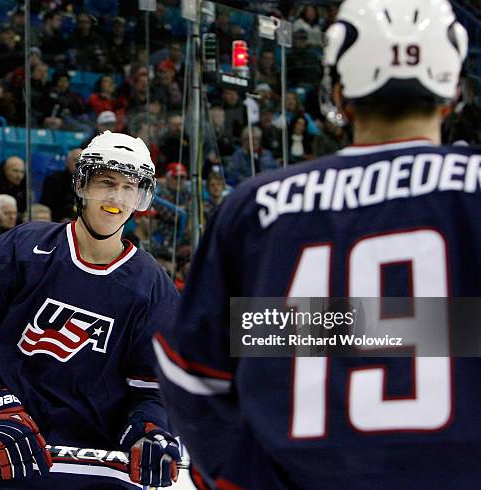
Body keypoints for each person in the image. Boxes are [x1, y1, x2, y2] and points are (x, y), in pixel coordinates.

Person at [155, 1, 479, 488]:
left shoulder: (259, 206)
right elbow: (405, 329)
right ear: (453, 87)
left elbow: (189, 372)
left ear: (338, 88)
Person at [0, 131, 181, 488]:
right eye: (106, 183)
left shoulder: (153, 287)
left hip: (96, 476)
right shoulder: (21, 249)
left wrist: (150, 431)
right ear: (81, 185)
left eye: (129, 187)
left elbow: (153, 389)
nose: (116, 198)